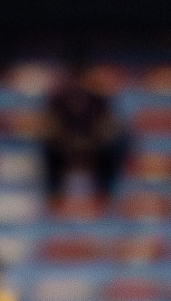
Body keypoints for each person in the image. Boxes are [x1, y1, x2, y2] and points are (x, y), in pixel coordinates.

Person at [41, 66, 128, 214]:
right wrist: (68, 141)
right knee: (50, 151)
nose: (78, 85)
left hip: (95, 145)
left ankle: (105, 198)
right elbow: (49, 127)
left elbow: (109, 126)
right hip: (64, 145)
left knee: (114, 148)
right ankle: (54, 199)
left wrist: (90, 141)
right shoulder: (57, 99)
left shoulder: (100, 100)